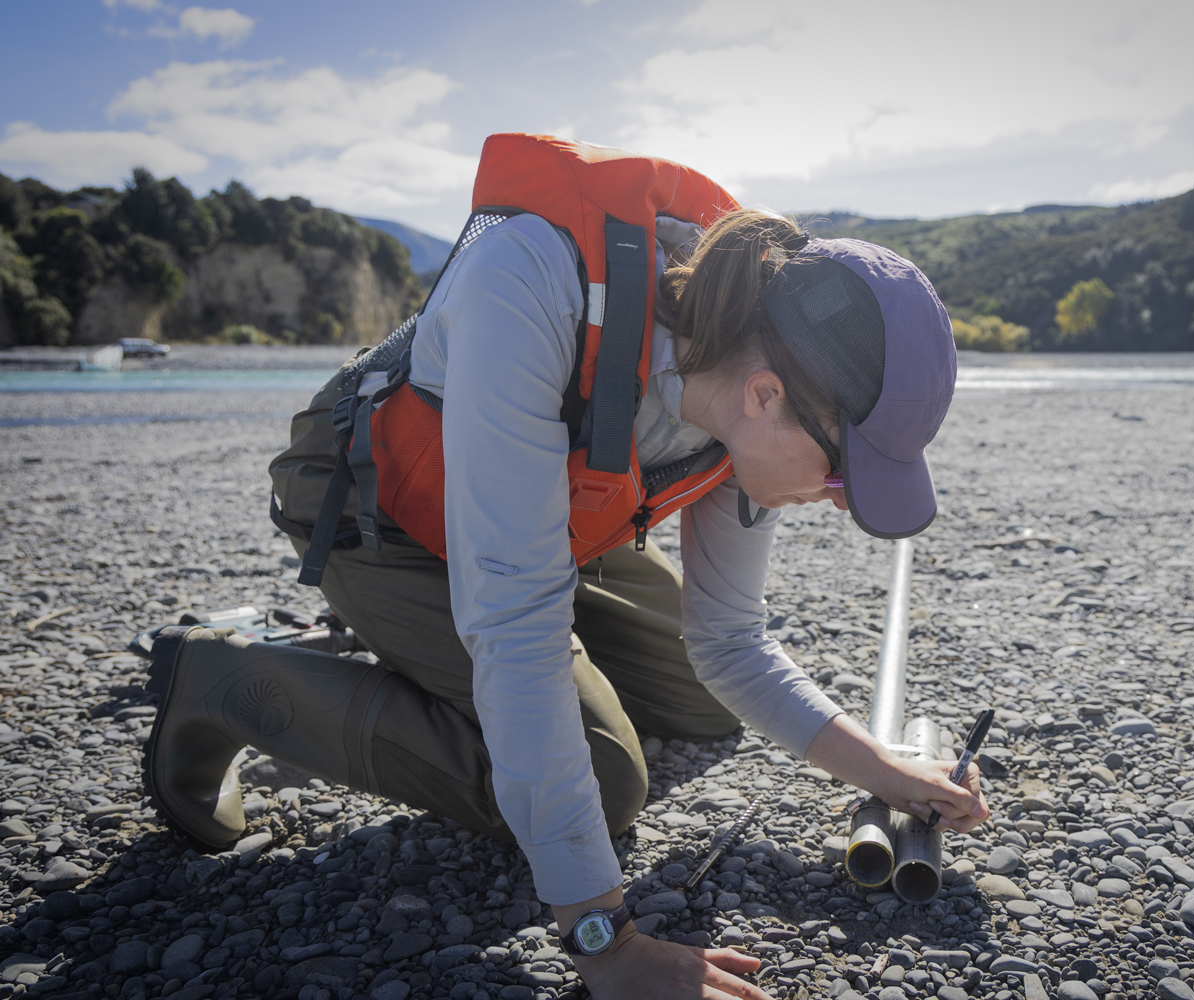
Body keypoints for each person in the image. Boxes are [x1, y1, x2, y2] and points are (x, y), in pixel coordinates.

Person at [141, 136, 985, 1000]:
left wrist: (883, 770)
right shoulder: (531, 280)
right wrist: (605, 940)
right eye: (844, 473)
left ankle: (446, 665)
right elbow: (516, 628)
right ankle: (225, 682)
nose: (843, 501)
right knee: (607, 774)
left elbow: (727, 640)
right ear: (765, 396)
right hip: (375, 506)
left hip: (547, 519)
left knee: (698, 701)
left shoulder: (753, 389)